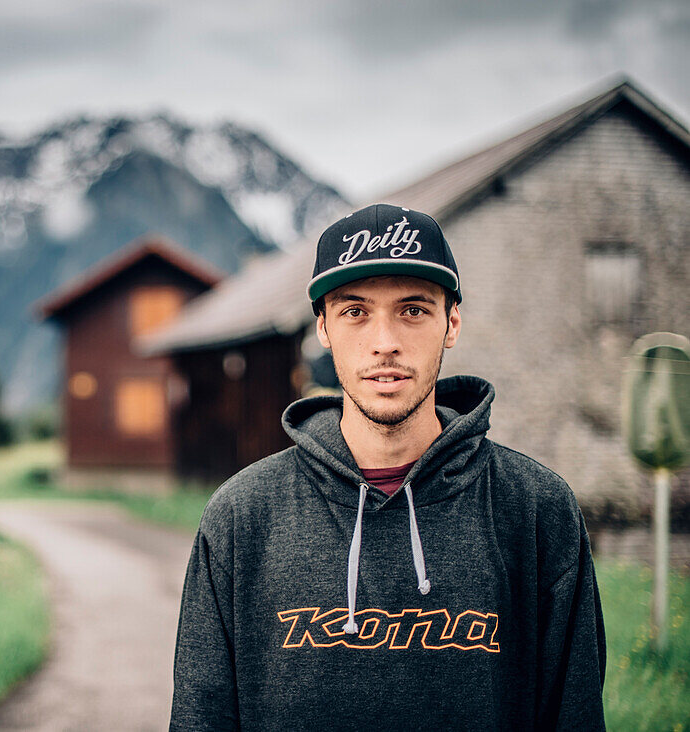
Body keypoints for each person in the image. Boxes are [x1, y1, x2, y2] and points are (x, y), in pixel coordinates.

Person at [170, 203, 606, 731]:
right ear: (324, 328)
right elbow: (201, 718)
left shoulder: (535, 510)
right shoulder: (242, 516)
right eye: (355, 311)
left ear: (453, 322)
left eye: (413, 310)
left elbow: (575, 716)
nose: (385, 342)